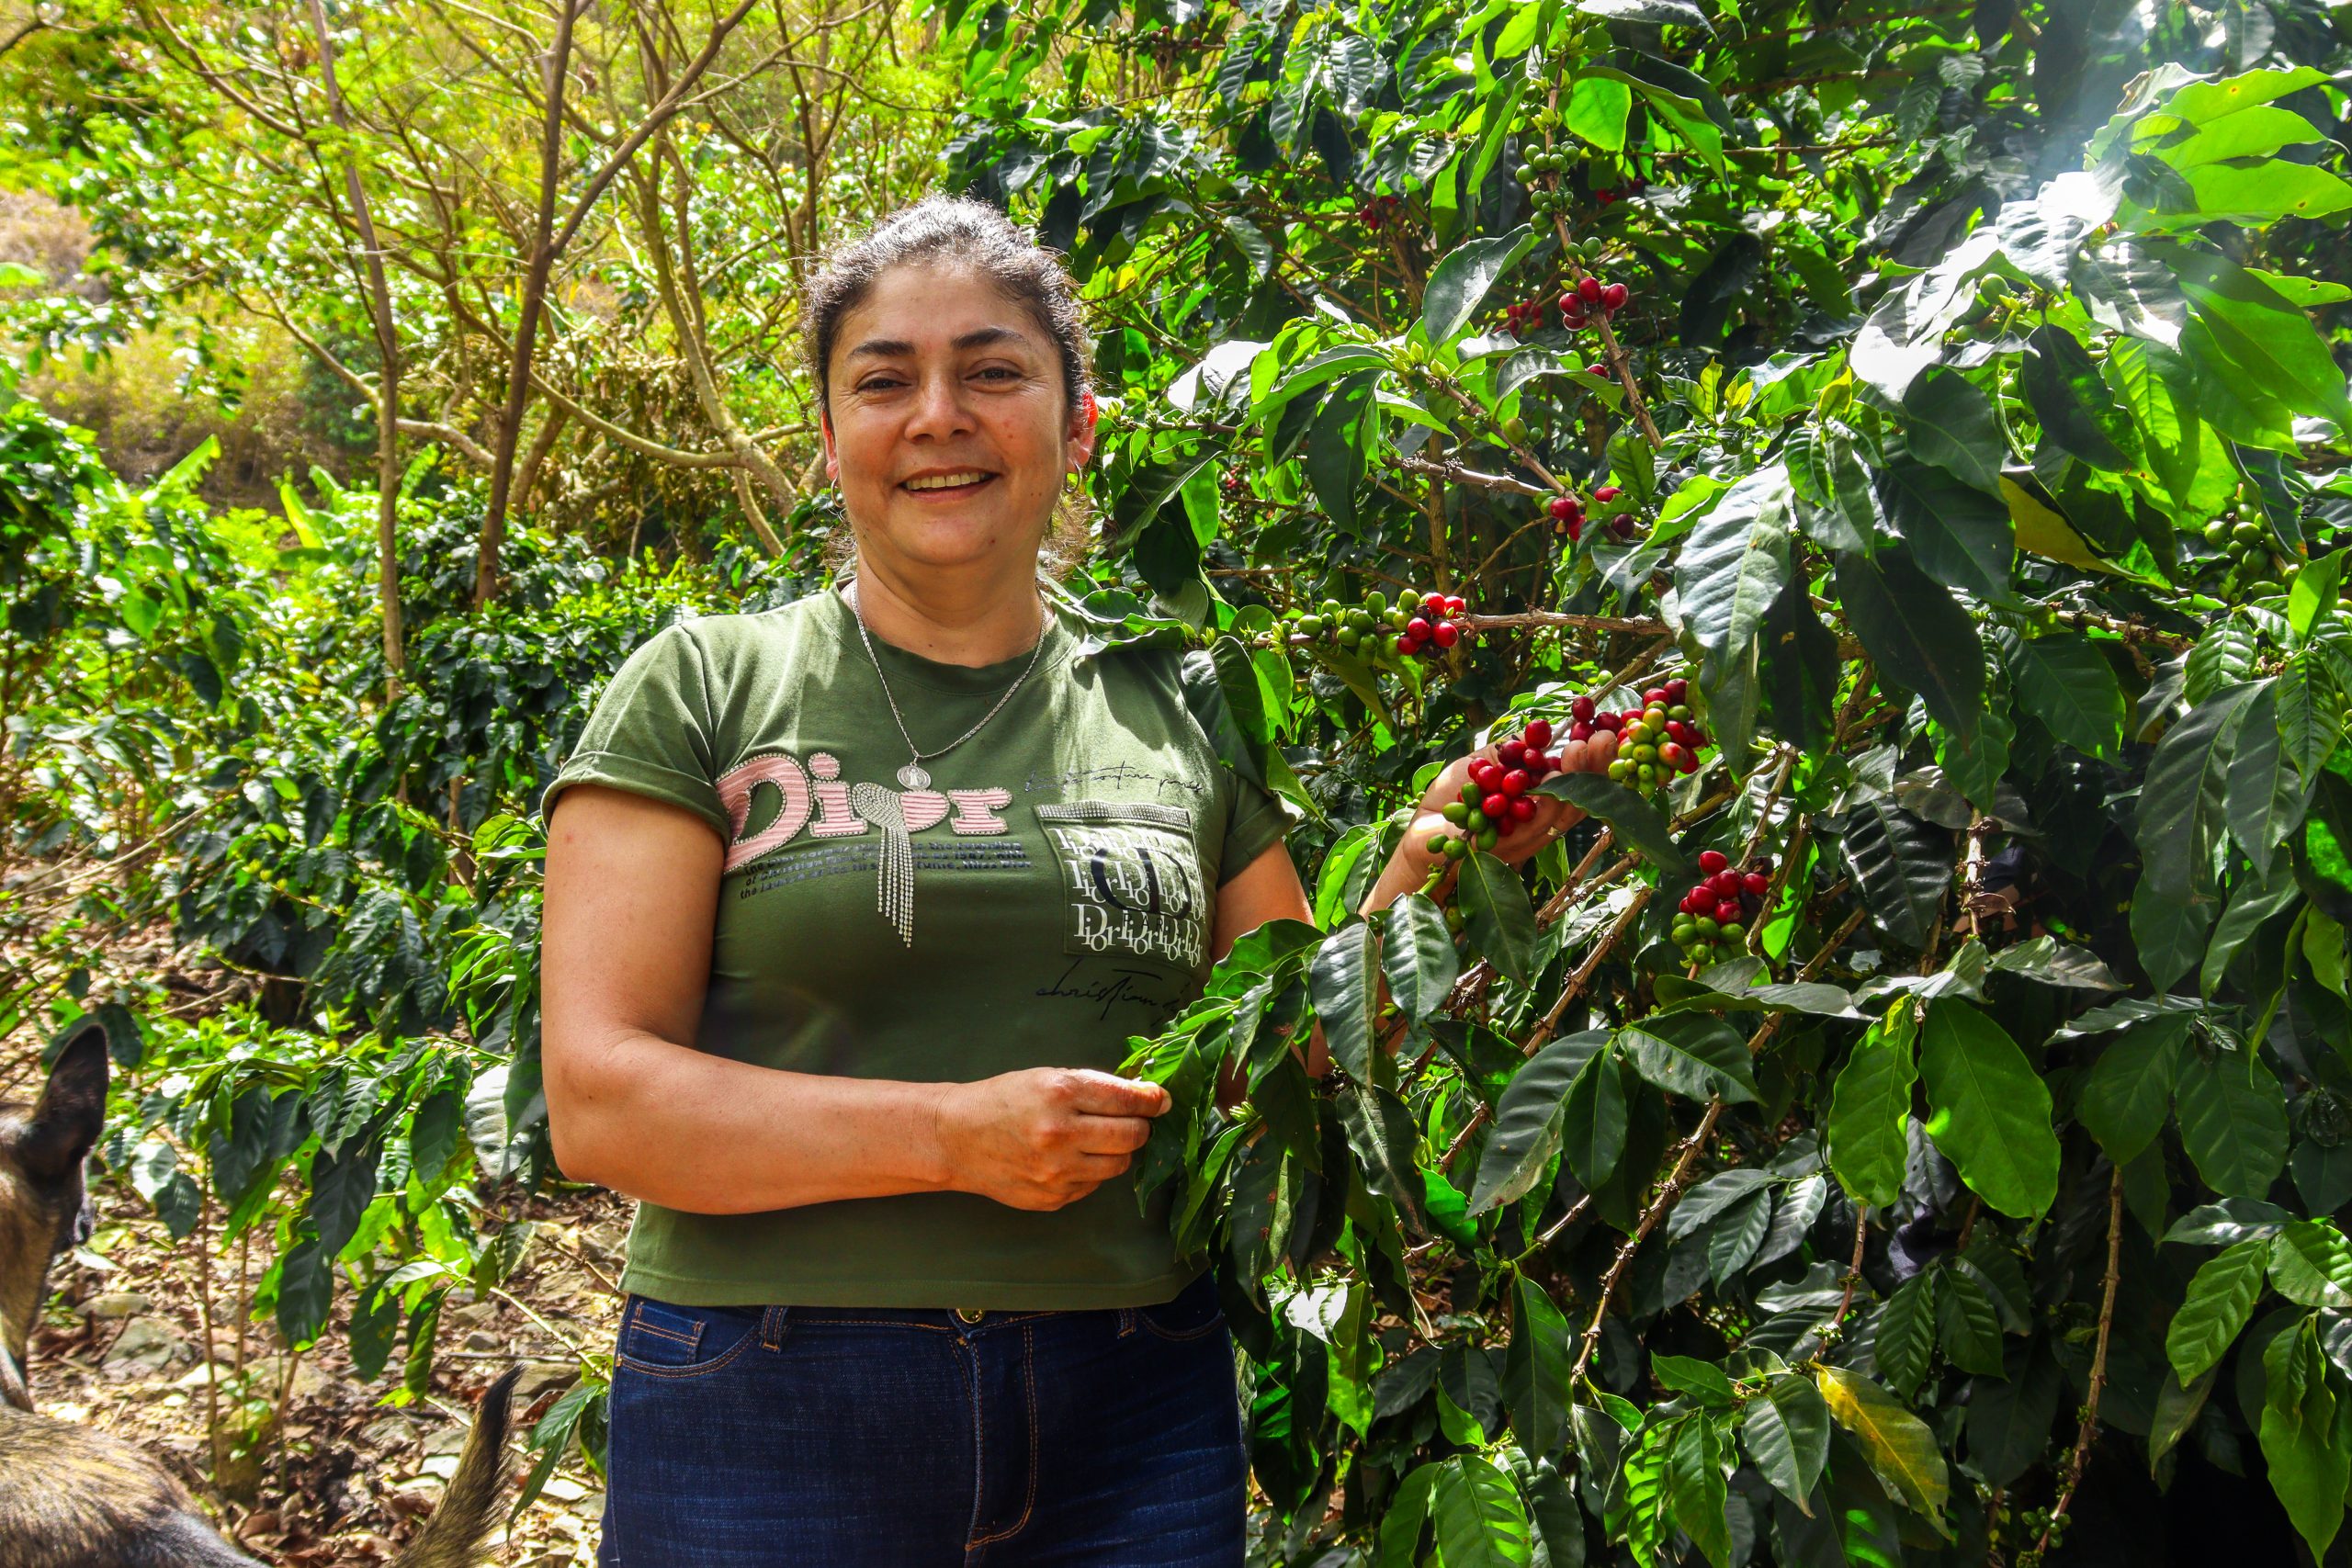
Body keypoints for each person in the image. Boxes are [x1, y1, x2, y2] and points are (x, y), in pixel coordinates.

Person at [539, 195, 1608, 1566]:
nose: (939, 417)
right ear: (829, 435)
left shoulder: (1182, 704)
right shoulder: (704, 685)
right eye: (884, 381)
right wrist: (949, 1136)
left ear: (1079, 424)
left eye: (993, 372)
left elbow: (1285, 1064)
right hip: (769, 1398)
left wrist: (1427, 885)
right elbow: (600, 1103)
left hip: (1131, 1400)